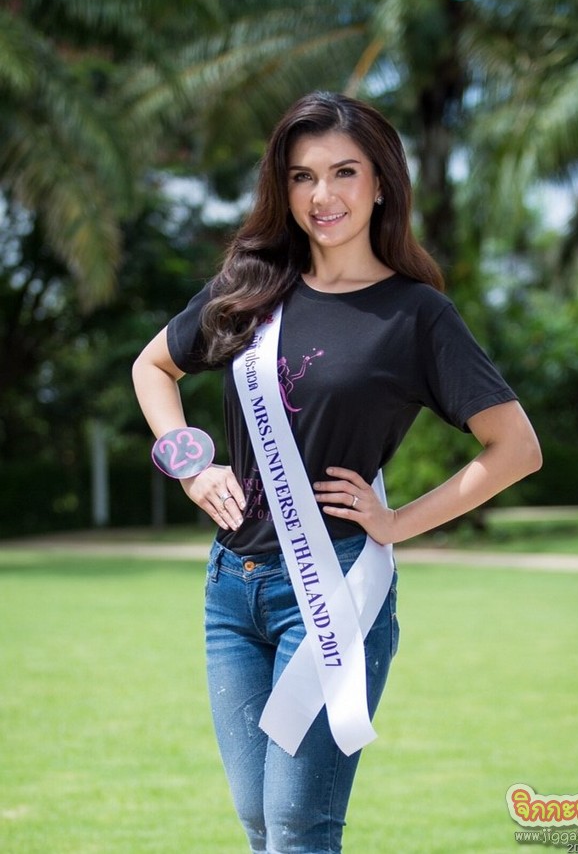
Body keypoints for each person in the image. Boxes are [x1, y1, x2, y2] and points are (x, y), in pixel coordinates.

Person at [131, 90, 542, 854]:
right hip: (232, 590)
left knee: (299, 828)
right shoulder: (250, 287)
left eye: (344, 172)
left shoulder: (416, 316)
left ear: (381, 182)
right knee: (261, 824)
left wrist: (397, 522)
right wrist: (190, 465)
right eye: (302, 176)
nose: (323, 195)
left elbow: (516, 447)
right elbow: (152, 367)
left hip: (333, 590)